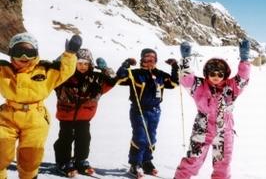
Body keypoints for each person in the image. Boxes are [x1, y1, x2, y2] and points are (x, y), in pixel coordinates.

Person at [0, 32, 81, 179]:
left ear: (36, 53)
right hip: (7, 117)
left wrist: (70, 53)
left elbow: (65, 70)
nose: (24, 57)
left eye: (29, 52)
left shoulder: (46, 70)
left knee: (30, 158)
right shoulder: (3, 70)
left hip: (36, 118)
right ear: (11, 53)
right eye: (19, 52)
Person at [174, 39, 251, 179]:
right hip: (202, 129)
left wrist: (244, 59)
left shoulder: (231, 86)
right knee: (193, 160)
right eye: (213, 73)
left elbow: (243, 79)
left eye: (220, 74)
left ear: (225, 74)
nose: (216, 77)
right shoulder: (199, 85)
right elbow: (186, 79)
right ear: (207, 73)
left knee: (223, 164)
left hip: (224, 131)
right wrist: (185, 60)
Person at [53, 48, 117, 177]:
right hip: (66, 116)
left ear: (91, 65)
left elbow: (112, 80)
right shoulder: (64, 76)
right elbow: (53, 70)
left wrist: (105, 69)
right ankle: (63, 162)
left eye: (86, 64)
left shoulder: (96, 79)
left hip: (85, 116)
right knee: (65, 139)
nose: (82, 66)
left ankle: (80, 160)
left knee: (84, 138)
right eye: (79, 63)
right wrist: (65, 57)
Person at [116, 48, 179, 178]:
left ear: (156, 60)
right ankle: (135, 163)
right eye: (146, 58)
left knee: (151, 137)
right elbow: (120, 79)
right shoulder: (135, 74)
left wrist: (174, 66)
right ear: (142, 60)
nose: (149, 61)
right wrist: (126, 65)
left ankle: (146, 161)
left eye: (152, 59)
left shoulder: (161, 75)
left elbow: (174, 83)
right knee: (140, 137)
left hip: (155, 111)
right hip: (139, 110)